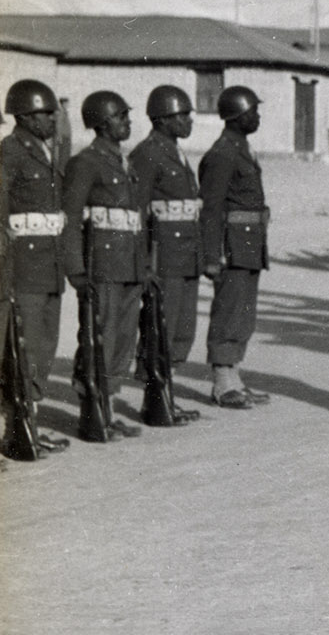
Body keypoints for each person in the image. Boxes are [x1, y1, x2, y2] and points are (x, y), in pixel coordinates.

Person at [60, 91, 147, 442]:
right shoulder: (86, 162)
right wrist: (76, 271)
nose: (127, 121)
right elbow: (70, 219)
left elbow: (134, 218)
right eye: (120, 116)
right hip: (103, 266)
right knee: (99, 338)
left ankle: (107, 409)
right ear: (101, 122)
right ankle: (91, 413)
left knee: (123, 338)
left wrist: (143, 266)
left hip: (129, 264)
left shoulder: (122, 161)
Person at [1, 79, 71, 456]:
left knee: (44, 347)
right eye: (46, 114)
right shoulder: (10, 152)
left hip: (49, 265)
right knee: (23, 349)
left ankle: (31, 422)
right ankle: (17, 425)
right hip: (23, 266)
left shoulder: (47, 151)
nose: (53, 120)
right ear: (26, 116)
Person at [127, 85, 204, 426]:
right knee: (161, 326)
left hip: (185, 254)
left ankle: (165, 394)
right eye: (182, 115)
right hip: (163, 257)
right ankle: (155, 398)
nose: (189, 121)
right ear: (161, 119)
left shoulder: (175, 151)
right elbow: (137, 211)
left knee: (181, 328)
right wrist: (143, 263)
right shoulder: (148, 154)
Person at [199, 85, 270, 410]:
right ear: (236, 115)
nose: (257, 117)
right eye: (252, 112)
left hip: (249, 244)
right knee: (228, 312)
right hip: (231, 247)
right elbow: (211, 208)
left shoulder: (241, 148)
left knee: (243, 313)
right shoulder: (223, 153)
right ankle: (222, 383)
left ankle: (234, 378)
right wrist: (211, 255)